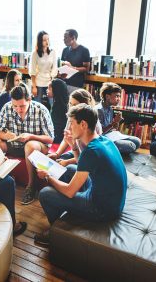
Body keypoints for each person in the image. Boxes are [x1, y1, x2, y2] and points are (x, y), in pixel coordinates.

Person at [35, 104, 127, 246]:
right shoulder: (103, 140)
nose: (68, 128)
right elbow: (81, 164)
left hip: (102, 209)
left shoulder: (91, 151)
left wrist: (48, 177)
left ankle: (57, 233)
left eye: (71, 124)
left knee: (45, 193)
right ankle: (68, 215)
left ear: (83, 124)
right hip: (113, 202)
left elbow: (70, 192)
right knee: (70, 168)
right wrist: (73, 146)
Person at [0, 83, 54, 205]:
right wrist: (8, 135)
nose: (18, 110)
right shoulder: (7, 107)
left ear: (30, 100)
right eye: (15, 106)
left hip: (37, 146)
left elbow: (50, 139)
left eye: (22, 106)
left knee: (29, 145)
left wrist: (30, 136)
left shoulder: (41, 110)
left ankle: (31, 186)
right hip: (14, 144)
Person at [49, 89, 102, 167]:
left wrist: (68, 162)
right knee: (59, 159)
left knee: (67, 167)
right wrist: (57, 154)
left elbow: (88, 156)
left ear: (84, 105)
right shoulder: (73, 116)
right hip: (77, 150)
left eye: (75, 105)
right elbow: (66, 138)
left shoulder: (92, 123)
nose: (71, 107)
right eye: (70, 104)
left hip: (88, 155)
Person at [96, 82, 141, 154]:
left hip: (111, 135)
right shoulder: (99, 110)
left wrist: (116, 123)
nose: (119, 99)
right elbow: (99, 133)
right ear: (107, 96)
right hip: (103, 139)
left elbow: (111, 128)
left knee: (137, 141)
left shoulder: (110, 108)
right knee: (130, 146)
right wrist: (113, 123)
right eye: (116, 96)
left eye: (119, 96)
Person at [29, 31, 58, 104]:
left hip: (49, 82)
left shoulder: (53, 52)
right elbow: (32, 71)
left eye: (48, 39)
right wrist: (34, 87)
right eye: (44, 40)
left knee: (52, 105)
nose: (47, 42)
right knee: (37, 105)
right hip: (38, 83)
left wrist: (51, 84)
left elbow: (55, 69)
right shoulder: (35, 53)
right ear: (39, 41)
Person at [60, 29, 90, 94]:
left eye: (66, 37)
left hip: (76, 85)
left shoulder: (84, 50)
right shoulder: (65, 50)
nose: (64, 39)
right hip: (64, 84)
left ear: (73, 38)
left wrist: (72, 68)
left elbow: (86, 69)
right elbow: (62, 67)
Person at [47, 78, 69, 143]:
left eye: (49, 88)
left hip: (58, 139)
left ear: (56, 90)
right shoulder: (59, 102)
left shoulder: (58, 108)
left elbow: (57, 128)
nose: (47, 90)